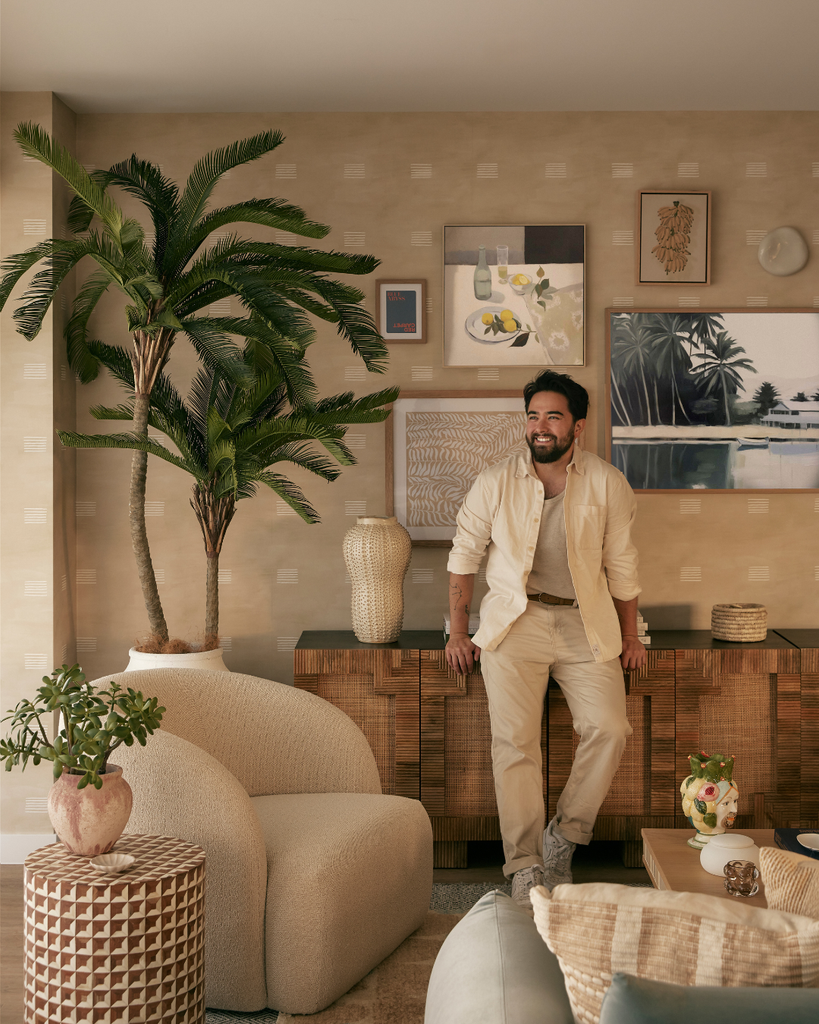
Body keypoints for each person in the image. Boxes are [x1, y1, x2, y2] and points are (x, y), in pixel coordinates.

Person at [445, 370, 647, 909]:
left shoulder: (607, 483)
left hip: (586, 623)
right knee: (514, 743)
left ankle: (564, 838)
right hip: (515, 623)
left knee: (609, 727)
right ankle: (525, 864)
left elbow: (622, 568)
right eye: (533, 415)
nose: (540, 426)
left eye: (553, 416)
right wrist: (458, 632)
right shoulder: (494, 481)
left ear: (577, 426)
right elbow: (463, 558)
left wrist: (632, 637)